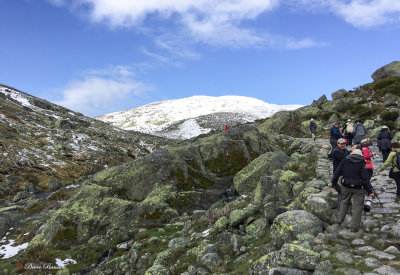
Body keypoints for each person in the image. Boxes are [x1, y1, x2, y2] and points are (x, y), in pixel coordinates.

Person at [332, 149, 374, 232]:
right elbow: (365, 179)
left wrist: (333, 183)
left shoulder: (345, 161)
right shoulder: (362, 163)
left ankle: (340, 220)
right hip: (358, 188)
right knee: (357, 207)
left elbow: (337, 172)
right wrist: (370, 191)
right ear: (360, 155)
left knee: (344, 201)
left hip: (345, 185)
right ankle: (354, 228)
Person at [331, 138, 353, 208]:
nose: (343, 145)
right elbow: (345, 158)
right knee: (340, 190)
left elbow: (348, 155)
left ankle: (345, 206)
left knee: (345, 190)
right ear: (338, 144)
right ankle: (340, 207)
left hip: (344, 172)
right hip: (338, 173)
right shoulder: (336, 151)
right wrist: (350, 151)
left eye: (344, 144)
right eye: (341, 144)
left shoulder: (344, 150)